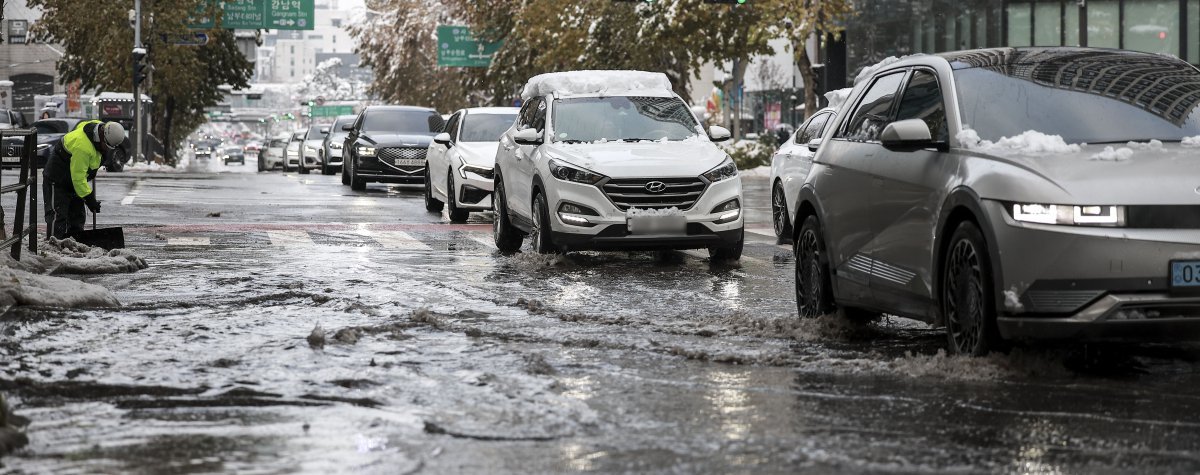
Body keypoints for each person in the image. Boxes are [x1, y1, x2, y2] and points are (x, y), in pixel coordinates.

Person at [43, 120, 125, 238]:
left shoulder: (100, 128)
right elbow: (78, 177)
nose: (107, 150)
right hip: (57, 179)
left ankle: (74, 244)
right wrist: (89, 199)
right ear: (102, 137)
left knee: (77, 216)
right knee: (58, 216)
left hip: (74, 180)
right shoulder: (83, 147)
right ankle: (53, 247)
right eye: (107, 145)